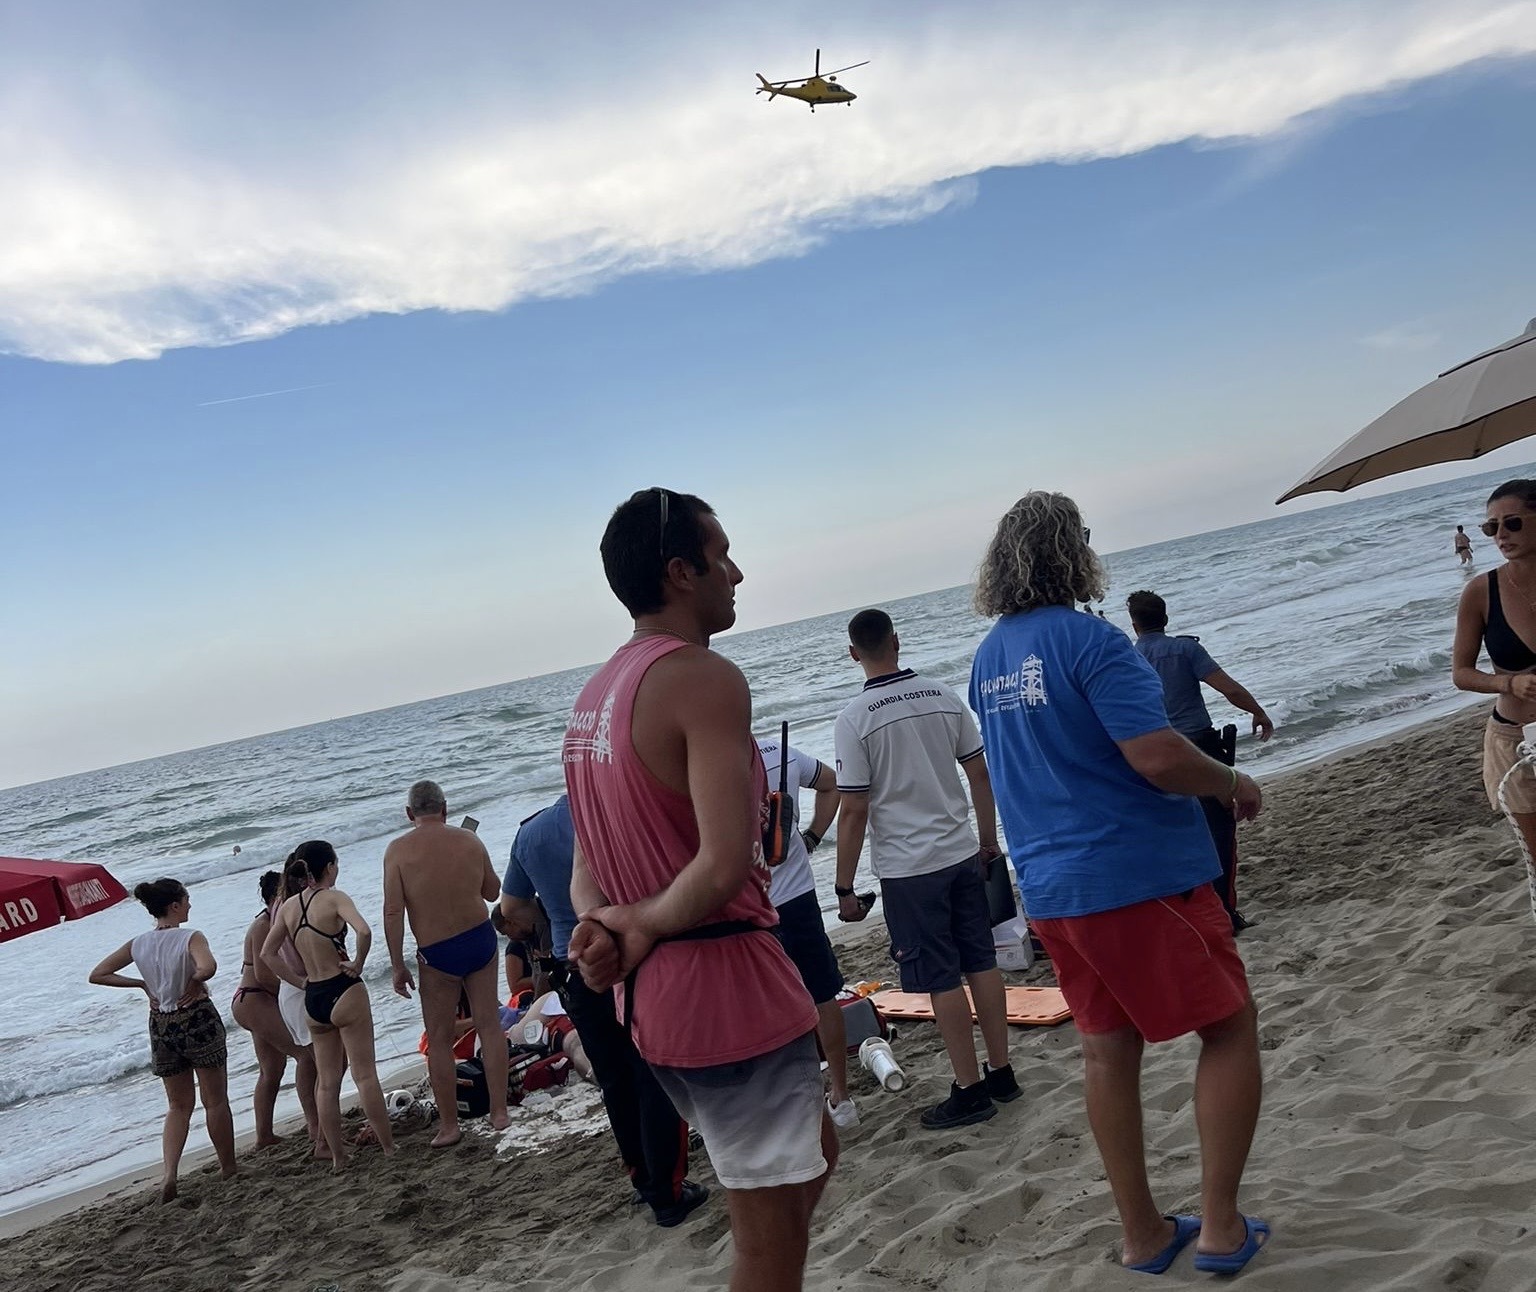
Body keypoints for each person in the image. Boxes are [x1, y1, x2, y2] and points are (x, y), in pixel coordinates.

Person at [970, 491, 1268, 1276]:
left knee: (1106, 1052)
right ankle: (1220, 1227)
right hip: (1135, 876)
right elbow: (1160, 757)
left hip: (1055, 891)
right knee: (1230, 1026)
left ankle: (1142, 1234)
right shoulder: (1094, 643)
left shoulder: (990, 656)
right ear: (1072, 551)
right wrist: (1231, 781)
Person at [562, 487, 835, 1292]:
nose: (738, 573)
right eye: (723, 557)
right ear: (682, 572)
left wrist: (599, 928)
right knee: (768, 1242)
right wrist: (635, 928)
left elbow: (587, 866)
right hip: (725, 992)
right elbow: (723, 864)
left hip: (658, 1004)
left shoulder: (591, 701)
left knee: (815, 1152)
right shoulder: (704, 678)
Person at [832, 609, 1016, 1130]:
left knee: (940, 978)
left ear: (853, 654)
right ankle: (1001, 1071)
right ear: (897, 641)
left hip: (911, 867)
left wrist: (844, 886)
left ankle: (969, 1087)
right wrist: (986, 840)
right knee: (981, 961)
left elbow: (854, 808)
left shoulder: (855, 718)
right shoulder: (940, 694)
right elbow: (979, 773)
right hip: (959, 851)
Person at [501, 794, 707, 1227]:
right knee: (652, 1071)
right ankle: (668, 1192)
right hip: (626, 954)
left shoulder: (530, 833)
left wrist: (553, 912)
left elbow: (511, 908)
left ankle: (643, 1179)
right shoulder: (613, 806)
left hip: (572, 962)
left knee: (614, 1078)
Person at [1125, 589, 1274, 932]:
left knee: (1174, 833)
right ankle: (1225, 913)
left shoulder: (1129, 658)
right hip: (1199, 748)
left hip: (1153, 752)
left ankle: (1191, 913)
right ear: (1165, 618)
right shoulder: (1185, 649)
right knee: (1220, 832)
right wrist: (1258, 712)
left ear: (1135, 625)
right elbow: (1229, 689)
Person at [89, 877, 237, 1202]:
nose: (189, 905)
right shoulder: (190, 937)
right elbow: (208, 966)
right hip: (196, 1018)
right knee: (215, 1100)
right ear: (174, 905)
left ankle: (169, 1175)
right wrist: (195, 981)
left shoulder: (137, 943)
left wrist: (142, 985)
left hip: (161, 1024)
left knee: (177, 1106)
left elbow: (98, 974)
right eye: (186, 900)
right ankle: (228, 1167)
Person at [382, 779, 511, 1146]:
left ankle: (450, 1126)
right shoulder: (469, 840)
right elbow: (491, 892)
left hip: (437, 952)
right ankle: (499, 1112)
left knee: (438, 1041)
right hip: (478, 939)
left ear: (409, 814)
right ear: (445, 808)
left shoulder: (397, 851)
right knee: (489, 1025)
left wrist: (397, 965)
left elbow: (393, 911)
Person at [263, 840, 394, 1169]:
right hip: (343, 988)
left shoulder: (289, 906)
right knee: (364, 1076)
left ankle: (337, 1156)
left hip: (314, 996)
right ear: (329, 868)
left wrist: (299, 981)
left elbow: (268, 953)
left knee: (328, 1081)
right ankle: (389, 1148)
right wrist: (359, 962)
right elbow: (363, 930)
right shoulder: (335, 898)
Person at [755, 730, 857, 1127]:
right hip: (797, 893)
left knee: (766, 1007)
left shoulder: (708, 767)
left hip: (750, 905)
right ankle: (842, 1095)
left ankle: (791, 1102)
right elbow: (832, 783)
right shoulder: (776, 751)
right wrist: (812, 834)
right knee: (822, 992)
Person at [1453, 479, 1536, 861]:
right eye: (1491, 527)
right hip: (1514, 742)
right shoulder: (1481, 592)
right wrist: (1509, 682)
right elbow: (1462, 673)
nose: (1500, 535)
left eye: (1512, 523)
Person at [231, 870, 319, 1150]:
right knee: (305, 1055)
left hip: (258, 999)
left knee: (272, 1069)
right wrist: (295, 984)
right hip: (255, 998)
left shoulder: (275, 920)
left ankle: (263, 1135)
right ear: (275, 896)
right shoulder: (264, 924)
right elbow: (264, 973)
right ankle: (314, 1124)